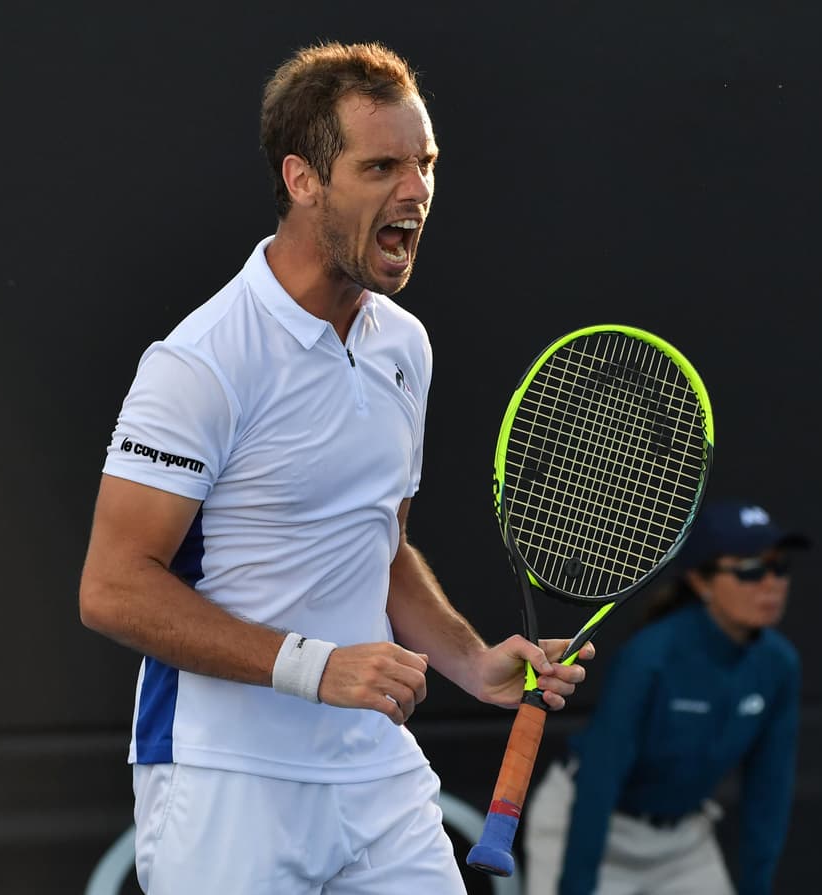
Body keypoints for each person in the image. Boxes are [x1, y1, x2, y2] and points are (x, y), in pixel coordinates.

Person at [77, 41, 593, 895]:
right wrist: (317, 666)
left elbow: (378, 541)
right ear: (303, 178)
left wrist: (469, 660)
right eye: (382, 165)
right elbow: (112, 588)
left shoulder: (405, 345)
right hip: (225, 779)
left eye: (425, 164)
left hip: (372, 770)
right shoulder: (200, 362)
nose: (416, 192)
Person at [522, 499, 810, 895]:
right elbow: (600, 780)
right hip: (587, 829)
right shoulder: (649, 656)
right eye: (750, 569)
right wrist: (577, 887)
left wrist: (757, 887)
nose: (771, 582)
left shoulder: (780, 664)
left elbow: (769, 788)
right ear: (700, 581)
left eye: (780, 567)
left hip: (683, 843)